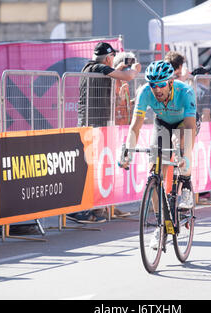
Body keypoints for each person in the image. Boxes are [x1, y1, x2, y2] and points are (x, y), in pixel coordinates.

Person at [69, 42, 141, 223]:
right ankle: (81, 210)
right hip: (94, 126)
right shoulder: (99, 68)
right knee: (90, 169)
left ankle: (99, 207)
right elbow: (127, 77)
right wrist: (135, 69)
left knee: (95, 168)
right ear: (109, 58)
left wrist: (118, 69)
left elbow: (113, 76)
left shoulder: (90, 67)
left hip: (93, 125)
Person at [119, 60, 200, 211]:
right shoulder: (144, 92)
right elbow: (135, 127)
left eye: (161, 84)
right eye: (153, 85)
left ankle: (186, 186)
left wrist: (184, 156)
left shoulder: (185, 91)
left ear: (170, 82)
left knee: (179, 140)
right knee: (154, 172)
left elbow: (190, 127)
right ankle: (160, 224)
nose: (157, 90)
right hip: (163, 123)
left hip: (184, 123)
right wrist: (127, 153)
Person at [77, 42, 141, 128]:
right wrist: (134, 69)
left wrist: (120, 99)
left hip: (87, 122)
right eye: (113, 55)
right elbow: (129, 76)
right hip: (95, 124)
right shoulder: (100, 68)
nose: (114, 58)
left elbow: (108, 78)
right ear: (107, 58)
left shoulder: (87, 68)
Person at [112, 51, 136, 125]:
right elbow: (111, 104)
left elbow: (125, 104)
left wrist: (135, 101)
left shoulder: (124, 81)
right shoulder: (114, 81)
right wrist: (120, 98)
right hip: (116, 125)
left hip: (125, 124)